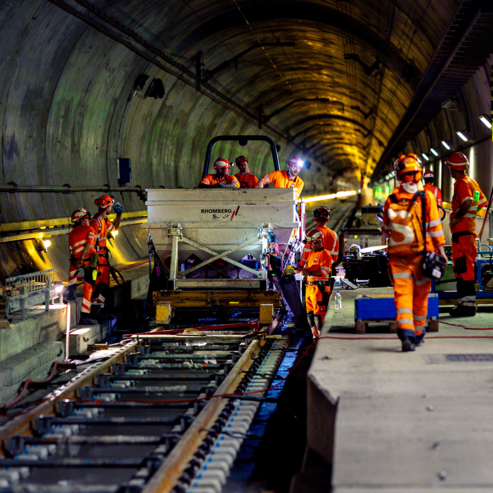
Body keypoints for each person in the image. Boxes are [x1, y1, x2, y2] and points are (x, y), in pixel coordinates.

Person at [382, 154, 446, 351]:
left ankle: (406, 333)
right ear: (419, 174)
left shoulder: (391, 198)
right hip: (423, 255)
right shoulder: (426, 197)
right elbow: (435, 227)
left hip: (398, 257)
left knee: (402, 295)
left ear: (399, 176)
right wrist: (441, 250)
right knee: (420, 296)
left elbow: (385, 229)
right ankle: (418, 333)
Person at [446, 152, 487, 317]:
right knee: (466, 268)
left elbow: (468, 202)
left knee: (463, 269)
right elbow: (481, 203)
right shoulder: (472, 182)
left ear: (453, 169)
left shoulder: (462, 183)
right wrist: (469, 217)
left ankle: (466, 307)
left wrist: (457, 219)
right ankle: (466, 304)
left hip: (462, 233)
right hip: (468, 233)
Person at [79, 195, 123, 314]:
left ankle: (100, 309)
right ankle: (92, 311)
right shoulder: (95, 222)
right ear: (107, 207)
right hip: (96, 258)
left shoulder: (105, 221)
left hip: (103, 258)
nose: (111, 209)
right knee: (96, 284)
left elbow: (114, 228)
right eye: (110, 207)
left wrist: (119, 216)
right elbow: (90, 242)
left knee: (105, 284)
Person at [294, 229, 332, 339]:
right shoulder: (311, 254)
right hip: (310, 287)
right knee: (310, 314)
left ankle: (322, 337)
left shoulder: (325, 255)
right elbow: (307, 268)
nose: (309, 247)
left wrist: (308, 272)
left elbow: (324, 272)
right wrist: (300, 270)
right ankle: (314, 336)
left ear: (317, 242)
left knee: (318, 315)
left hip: (320, 288)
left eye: (311, 244)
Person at [67, 208, 98, 325]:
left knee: (72, 270)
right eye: (86, 218)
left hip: (75, 261)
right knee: (89, 287)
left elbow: (71, 252)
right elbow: (90, 243)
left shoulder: (72, 234)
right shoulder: (90, 229)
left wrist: (77, 260)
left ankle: (71, 292)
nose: (89, 220)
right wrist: (82, 257)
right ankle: (85, 316)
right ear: (81, 220)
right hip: (90, 261)